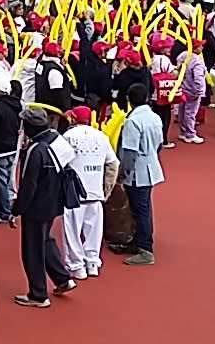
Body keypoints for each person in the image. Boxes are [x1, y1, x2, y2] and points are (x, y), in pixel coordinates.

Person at [10, 107, 76, 308]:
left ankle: (38, 294)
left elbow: (28, 184)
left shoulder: (35, 150)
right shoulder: (56, 139)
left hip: (37, 207)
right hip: (54, 201)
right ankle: (62, 278)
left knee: (32, 249)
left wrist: (16, 210)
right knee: (45, 240)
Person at [61, 106, 119, 279]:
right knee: (94, 230)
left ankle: (76, 266)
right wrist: (107, 188)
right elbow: (113, 163)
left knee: (72, 231)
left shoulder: (68, 137)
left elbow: (59, 161)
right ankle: (92, 263)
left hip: (74, 194)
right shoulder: (101, 136)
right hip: (95, 192)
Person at [117, 83, 164, 265]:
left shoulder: (133, 121)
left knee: (139, 210)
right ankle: (140, 241)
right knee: (143, 207)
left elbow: (130, 152)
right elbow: (159, 144)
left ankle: (145, 248)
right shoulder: (154, 117)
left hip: (138, 172)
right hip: (151, 167)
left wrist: (122, 173)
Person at [0, 81, 23, 222]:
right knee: (6, 179)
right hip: (12, 147)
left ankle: (5, 212)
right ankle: (5, 207)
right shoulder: (17, 105)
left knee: (1, 181)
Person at [176, 38, 207, 143]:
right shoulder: (196, 61)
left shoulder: (182, 56)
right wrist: (199, 91)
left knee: (182, 111)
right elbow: (198, 77)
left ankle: (183, 131)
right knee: (190, 112)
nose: (202, 47)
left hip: (183, 88)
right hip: (192, 90)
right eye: (200, 46)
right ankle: (190, 133)